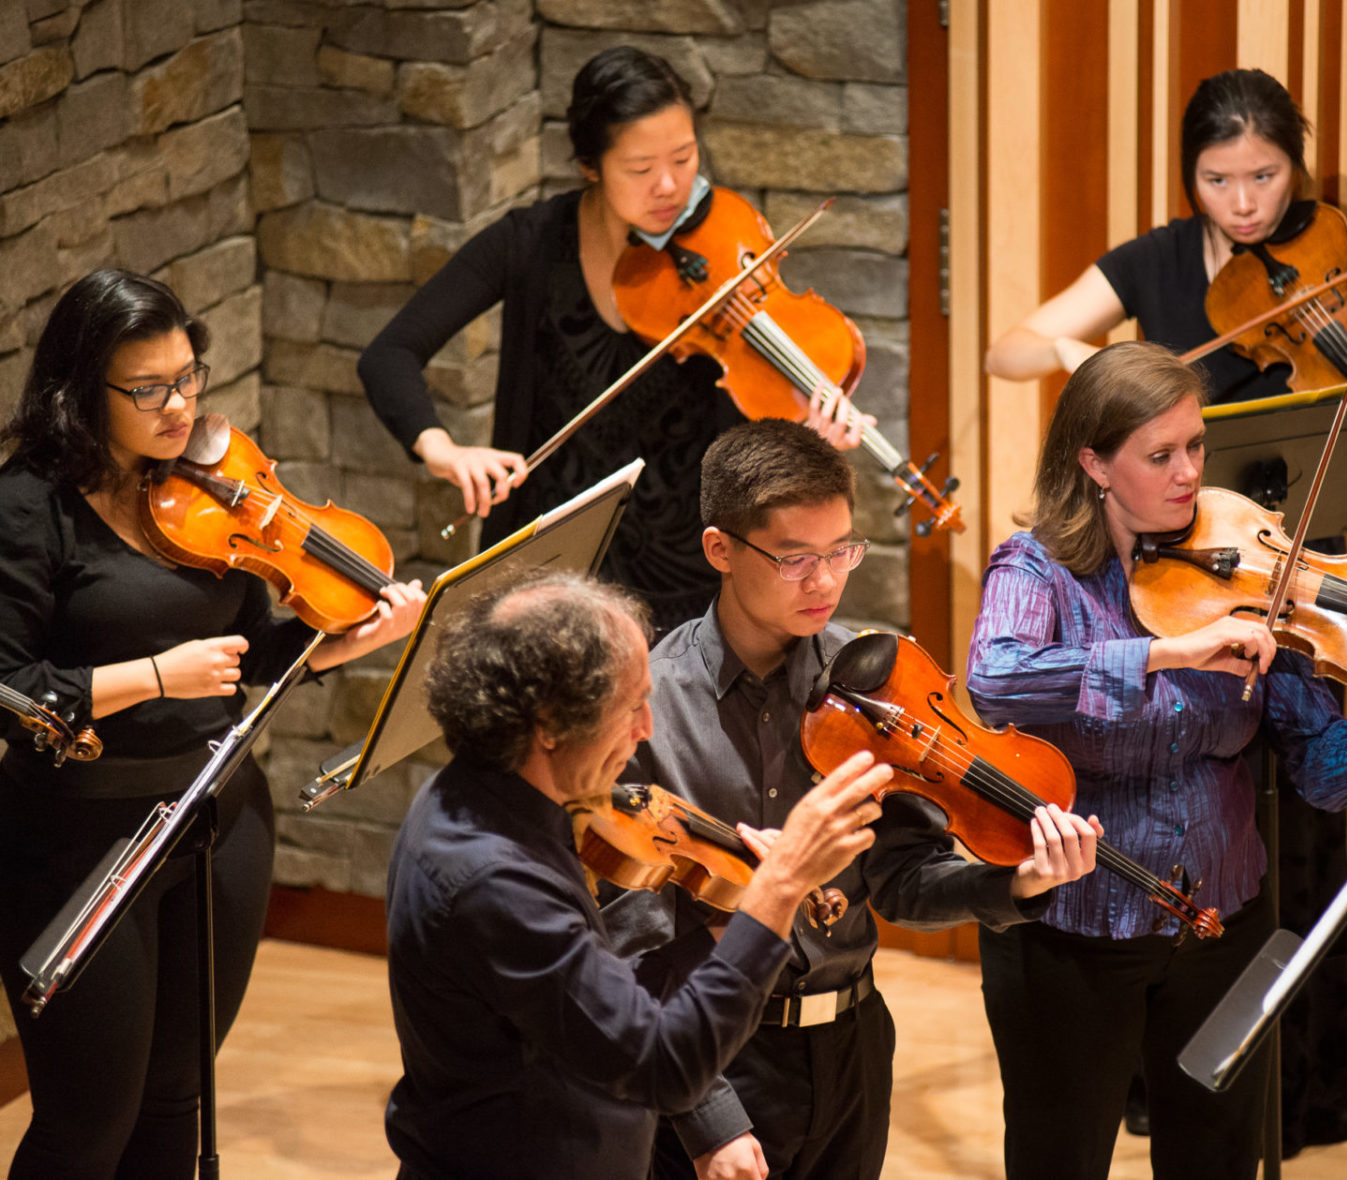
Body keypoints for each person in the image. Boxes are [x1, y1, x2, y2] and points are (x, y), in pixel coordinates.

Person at [965, 341, 1347, 1180]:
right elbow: (995, 682)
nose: (1188, 474)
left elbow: (1324, 771)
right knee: (1058, 1159)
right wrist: (1164, 654)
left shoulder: (1247, 575)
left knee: (1217, 1163)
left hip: (1220, 920)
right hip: (1075, 928)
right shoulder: (1038, 570)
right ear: (1094, 464)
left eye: (1195, 448)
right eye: (1159, 455)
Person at [0, 269, 425, 1179]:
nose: (180, 406)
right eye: (148, 389)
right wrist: (153, 675)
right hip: (81, 840)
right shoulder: (29, 507)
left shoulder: (208, 485)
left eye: (190, 377)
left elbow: (246, 659)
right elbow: (9, 686)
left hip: (218, 820)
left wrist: (337, 644)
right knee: (87, 1124)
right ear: (80, 392)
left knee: (177, 1099)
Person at [598, 418, 1100, 1180]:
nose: (827, 582)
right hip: (715, 1061)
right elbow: (636, 946)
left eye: (842, 552)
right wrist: (710, 1120)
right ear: (720, 550)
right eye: (797, 558)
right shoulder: (648, 708)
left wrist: (1016, 882)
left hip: (854, 1050)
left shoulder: (880, 687)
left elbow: (901, 880)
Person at [383, 571, 891, 1179]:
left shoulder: (481, 794)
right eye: (630, 708)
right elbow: (664, 1066)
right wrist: (779, 892)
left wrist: (734, 925)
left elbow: (598, 998)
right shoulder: (496, 879)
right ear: (548, 724)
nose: (647, 729)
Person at [359, 46, 857, 633]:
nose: (669, 185)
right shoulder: (530, 243)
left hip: (691, 583)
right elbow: (389, 355)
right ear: (590, 166)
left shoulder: (718, 256)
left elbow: (746, 442)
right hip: (549, 575)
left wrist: (807, 436)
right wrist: (444, 451)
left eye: (684, 157)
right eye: (640, 169)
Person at [985, 66, 1347, 403]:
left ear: (1294, 166)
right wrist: (1063, 349)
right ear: (1190, 175)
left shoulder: (1336, 252)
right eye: (1217, 180)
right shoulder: (1159, 259)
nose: (1243, 204)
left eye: (1264, 177)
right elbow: (1003, 355)